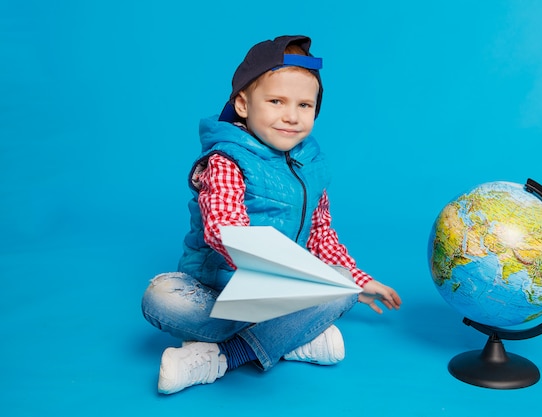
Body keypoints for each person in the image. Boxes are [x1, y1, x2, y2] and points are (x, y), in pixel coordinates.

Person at [141, 35, 402, 395]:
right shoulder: (226, 160)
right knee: (161, 296)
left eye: (305, 105)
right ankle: (290, 337)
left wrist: (359, 280)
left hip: (278, 292)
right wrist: (272, 272)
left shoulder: (309, 163)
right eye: (276, 101)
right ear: (244, 105)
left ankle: (223, 356)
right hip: (220, 289)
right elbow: (223, 228)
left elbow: (320, 233)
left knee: (342, 283)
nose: (291, 116)